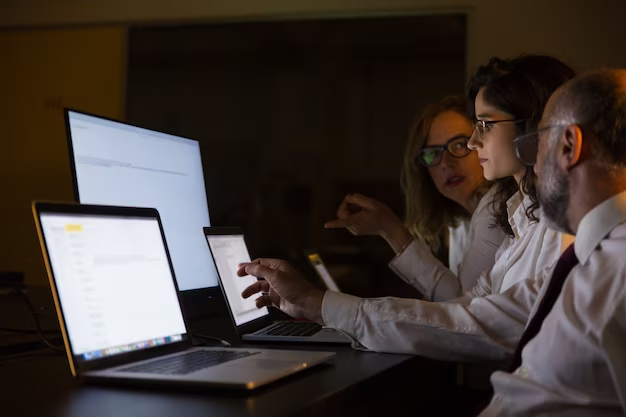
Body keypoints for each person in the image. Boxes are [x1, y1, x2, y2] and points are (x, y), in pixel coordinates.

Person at [237, 55, 574, 360]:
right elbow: (470, 309)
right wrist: (322, 305)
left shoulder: (551, 224)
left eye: (481, 127)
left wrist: (320, 302)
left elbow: (480, 321)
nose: (472, 143)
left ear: (535, 130)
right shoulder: (519, 218)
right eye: (432, 154)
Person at [479, 69, 626, 416]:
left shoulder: (615, 275)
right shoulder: (583, 261)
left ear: (569, 145)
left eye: (539, 141)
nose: (535, 164)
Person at [324, 96, 506, 301]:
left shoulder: (496, 208)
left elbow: (463, 304)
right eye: (432, 154)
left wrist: (391, 229)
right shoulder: (459, 222)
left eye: (459, 145)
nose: (445, 163)